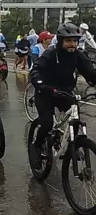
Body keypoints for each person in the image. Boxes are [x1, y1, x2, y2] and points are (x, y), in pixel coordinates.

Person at [30, 23, 96, 169]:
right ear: (60, 41)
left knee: (75, 117)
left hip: (64, 92)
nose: (72, 44)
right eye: (68, 41)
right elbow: (35, 71)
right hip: (46, 92)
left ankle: (74, 145)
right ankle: (36, 146)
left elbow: (91, 74)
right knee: (47, 123)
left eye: (75, 41)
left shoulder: (78, 56)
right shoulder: (51, 53)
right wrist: (41, 85)